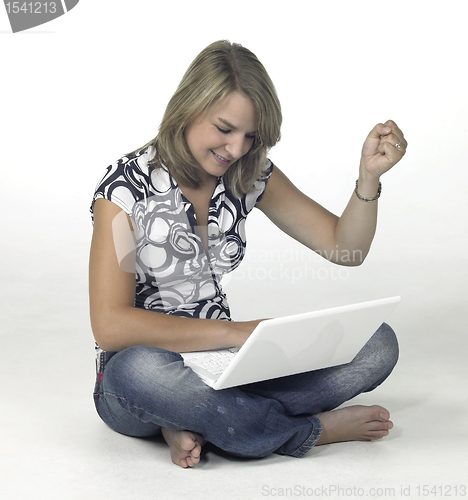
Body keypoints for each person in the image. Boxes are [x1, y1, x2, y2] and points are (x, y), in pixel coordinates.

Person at [89, 40, 407, 469]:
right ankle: (309, 431)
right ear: (188, 107)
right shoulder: (124, 191)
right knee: (139, 374)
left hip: (225, 368)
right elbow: (110, 326)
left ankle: (200, 419)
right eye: (224, 128)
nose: (236, 148)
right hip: (143, 370)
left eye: (250, 136)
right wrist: (238, 333)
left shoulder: (248, 173)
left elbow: (343, 247)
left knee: (377, 343)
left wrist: (368, 178)